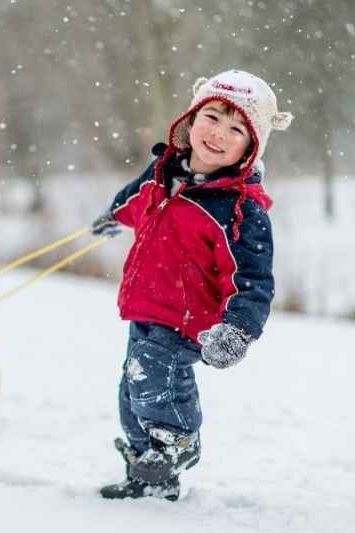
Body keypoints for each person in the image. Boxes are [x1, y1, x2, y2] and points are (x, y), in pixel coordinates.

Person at [91, 70, 293, 501]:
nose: (219, 133)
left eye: (236, 128)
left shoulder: (239, 211)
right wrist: (114, 215)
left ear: (250, 146)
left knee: (154, 384)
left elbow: (253, 280)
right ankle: (151, 477)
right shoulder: (164, 172)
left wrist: (238, 330)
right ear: (191, 117)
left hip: (188, 320)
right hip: (146, 306)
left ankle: (178, 441)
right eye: (213, 116)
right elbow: (136, 196)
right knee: (132, 391)